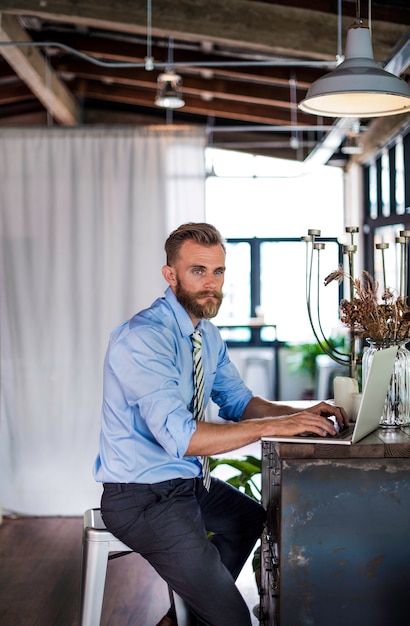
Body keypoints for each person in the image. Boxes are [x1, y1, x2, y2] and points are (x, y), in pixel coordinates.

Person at [93, 222, 347, 626]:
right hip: (142, 498)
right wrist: (277, 427)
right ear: (170, 275)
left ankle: (184, 618)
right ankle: (208, 615)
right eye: (198, 271)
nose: (211, 283)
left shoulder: (206, 336)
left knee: (248, 518)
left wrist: (299, 414)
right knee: (232, 619)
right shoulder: (142, 339)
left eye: (219, 272)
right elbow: (183, 438)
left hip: (186, 485)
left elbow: (239, 402)